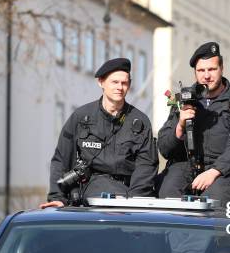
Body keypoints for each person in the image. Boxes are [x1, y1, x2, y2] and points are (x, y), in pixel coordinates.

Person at [40, 58, 158, 208]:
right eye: (114, 82)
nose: (120, 87)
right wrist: (57, 198)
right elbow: (61, 160)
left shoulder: (140, 121)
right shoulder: (81, 118)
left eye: (124, 83)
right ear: (101, 82)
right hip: (93, 194)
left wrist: (135, 202)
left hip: (130, 197)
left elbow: (146, 166)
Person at [157, 41, 230, 204]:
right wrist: (180, 126)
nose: (206, 75)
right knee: (167, 191)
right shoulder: (184, 99)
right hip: (187, 166)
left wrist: (214, 172)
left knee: (213, 200)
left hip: (225, 171)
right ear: (195, 72)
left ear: (221, 68)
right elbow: (165, 149)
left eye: (211, 69)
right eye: (201, 70)